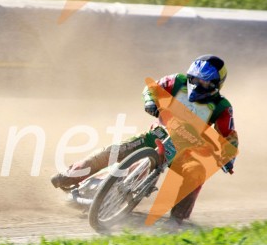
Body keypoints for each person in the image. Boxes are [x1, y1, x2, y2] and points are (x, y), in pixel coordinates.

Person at [50, 55, 238, 224]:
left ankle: (177, 219)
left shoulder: (222, 107)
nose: (197, 85)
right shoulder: (177, 81)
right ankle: (71, 175)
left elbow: (229, 137)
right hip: (157, 135)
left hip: (186, 153)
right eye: (194, 79)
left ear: (217, 84)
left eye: (204, 82)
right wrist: (150, 102)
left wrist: (227, 159)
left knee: (196, 173)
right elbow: (152, 88)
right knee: (114, 150)